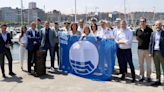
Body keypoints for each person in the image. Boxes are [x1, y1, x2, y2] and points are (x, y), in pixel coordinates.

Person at [136, 17, 153, 82]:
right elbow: (137, 38)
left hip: (148, 50)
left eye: (143, 21)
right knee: (140, 64)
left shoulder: (150, 30)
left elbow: (152, 40)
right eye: (141, 21)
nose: (142, 22)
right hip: (140, 49)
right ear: (140, 22)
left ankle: (148, 76)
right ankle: (141, 76)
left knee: (148, 64)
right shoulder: (137, 30)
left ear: (145, 22)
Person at [149, 20, 164, 86]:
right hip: (155, 52)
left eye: (159, 25)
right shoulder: (153, 33)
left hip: (162, 53)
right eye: (156, 25)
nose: (158, 26)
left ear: (161, 26)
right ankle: (158, 81)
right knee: (157, 68)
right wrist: (150, 52)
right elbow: (151, 43)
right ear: (155, 26)